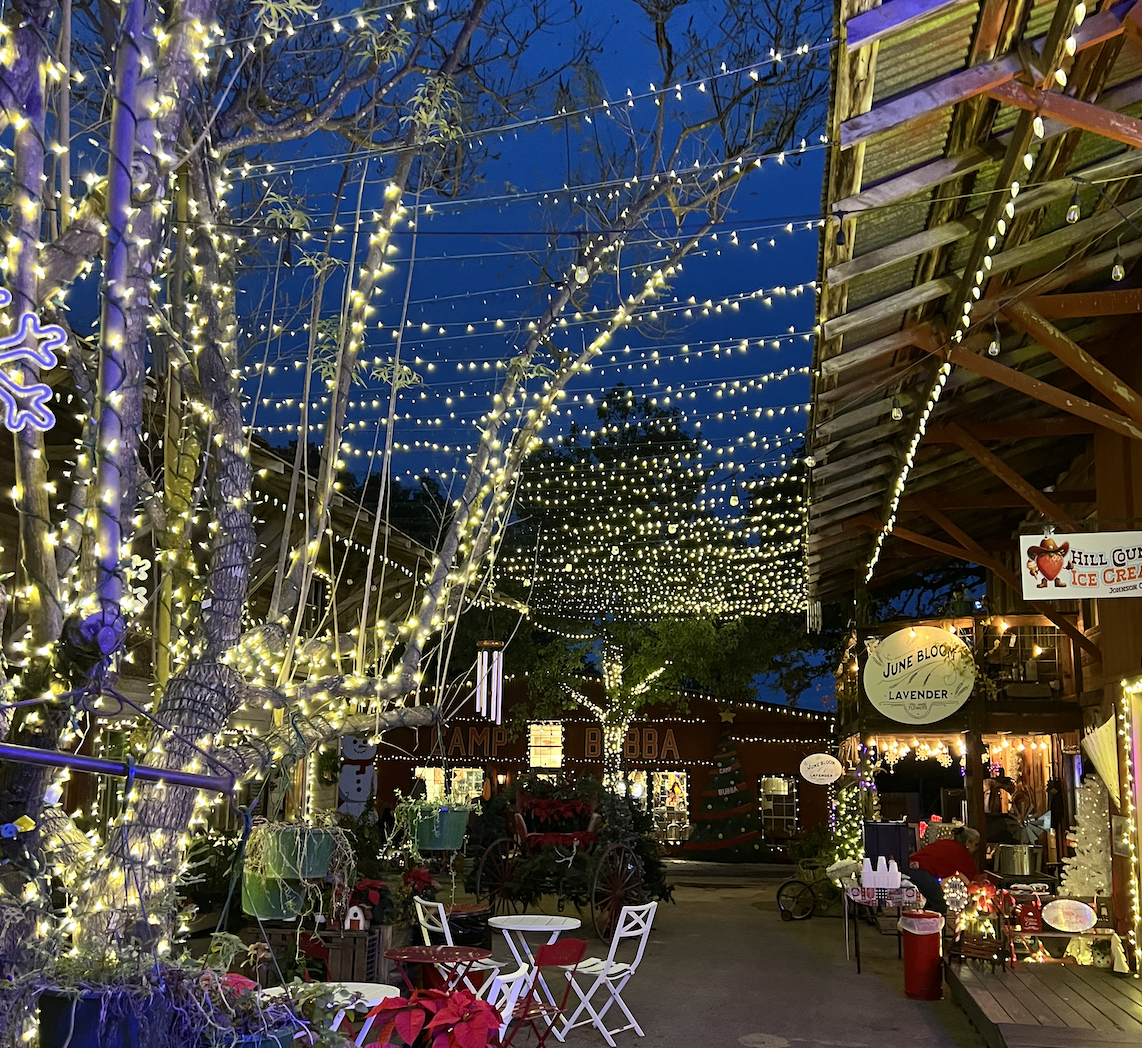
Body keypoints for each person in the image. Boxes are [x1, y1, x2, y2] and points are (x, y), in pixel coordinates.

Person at [908, 826, 981, 915]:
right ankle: (931, 926)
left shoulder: (945, 843)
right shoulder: (961, 853)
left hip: (910, 866)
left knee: (933, 899)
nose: (977, 848)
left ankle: (924, 922)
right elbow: (972, 876)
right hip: (922, 871)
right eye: (976, 844)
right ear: (968, 843)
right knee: (939, 903)